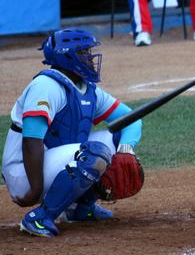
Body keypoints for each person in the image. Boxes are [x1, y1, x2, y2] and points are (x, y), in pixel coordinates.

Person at [1, 29, 143, 237]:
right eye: (85, 52)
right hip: (24, 171)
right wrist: (34, 190)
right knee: (95, 153)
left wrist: (125, 151)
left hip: (53, 161)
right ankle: (40, 217)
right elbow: (31, 141)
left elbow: (131, 120)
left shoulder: (87, 89)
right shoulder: (46, 86)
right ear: (67, 55)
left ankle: (80, 209)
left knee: (114, 141)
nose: (91, 58)